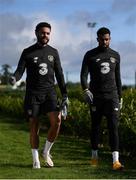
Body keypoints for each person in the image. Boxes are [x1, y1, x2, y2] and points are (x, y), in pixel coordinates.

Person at [10, 22, 68, 169]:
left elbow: (60, 74)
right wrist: (14, 78)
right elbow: (19, 70)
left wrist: (65, 94)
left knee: (57, 122)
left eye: (48, 33)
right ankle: (35, 159)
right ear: (36, 33)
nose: (45, 35)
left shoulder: (54, 52)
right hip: (32, 94)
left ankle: (46, 152)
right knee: (34, 126)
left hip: (50, 93)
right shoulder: (27, 52)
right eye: (42, 33)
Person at [80, 27, 124, 170]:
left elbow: (118, 78)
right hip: (96, 97)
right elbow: (83, 74)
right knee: (96, 128)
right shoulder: (90, 55)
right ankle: (94, 157)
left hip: (112, 97)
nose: (105, 41)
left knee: (113, 127)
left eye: (107, 39)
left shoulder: (115, 55)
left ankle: (115, 161)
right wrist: (85, 89)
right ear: (97, 39)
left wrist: (120, 96)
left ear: (110, 39)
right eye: (102, 39)